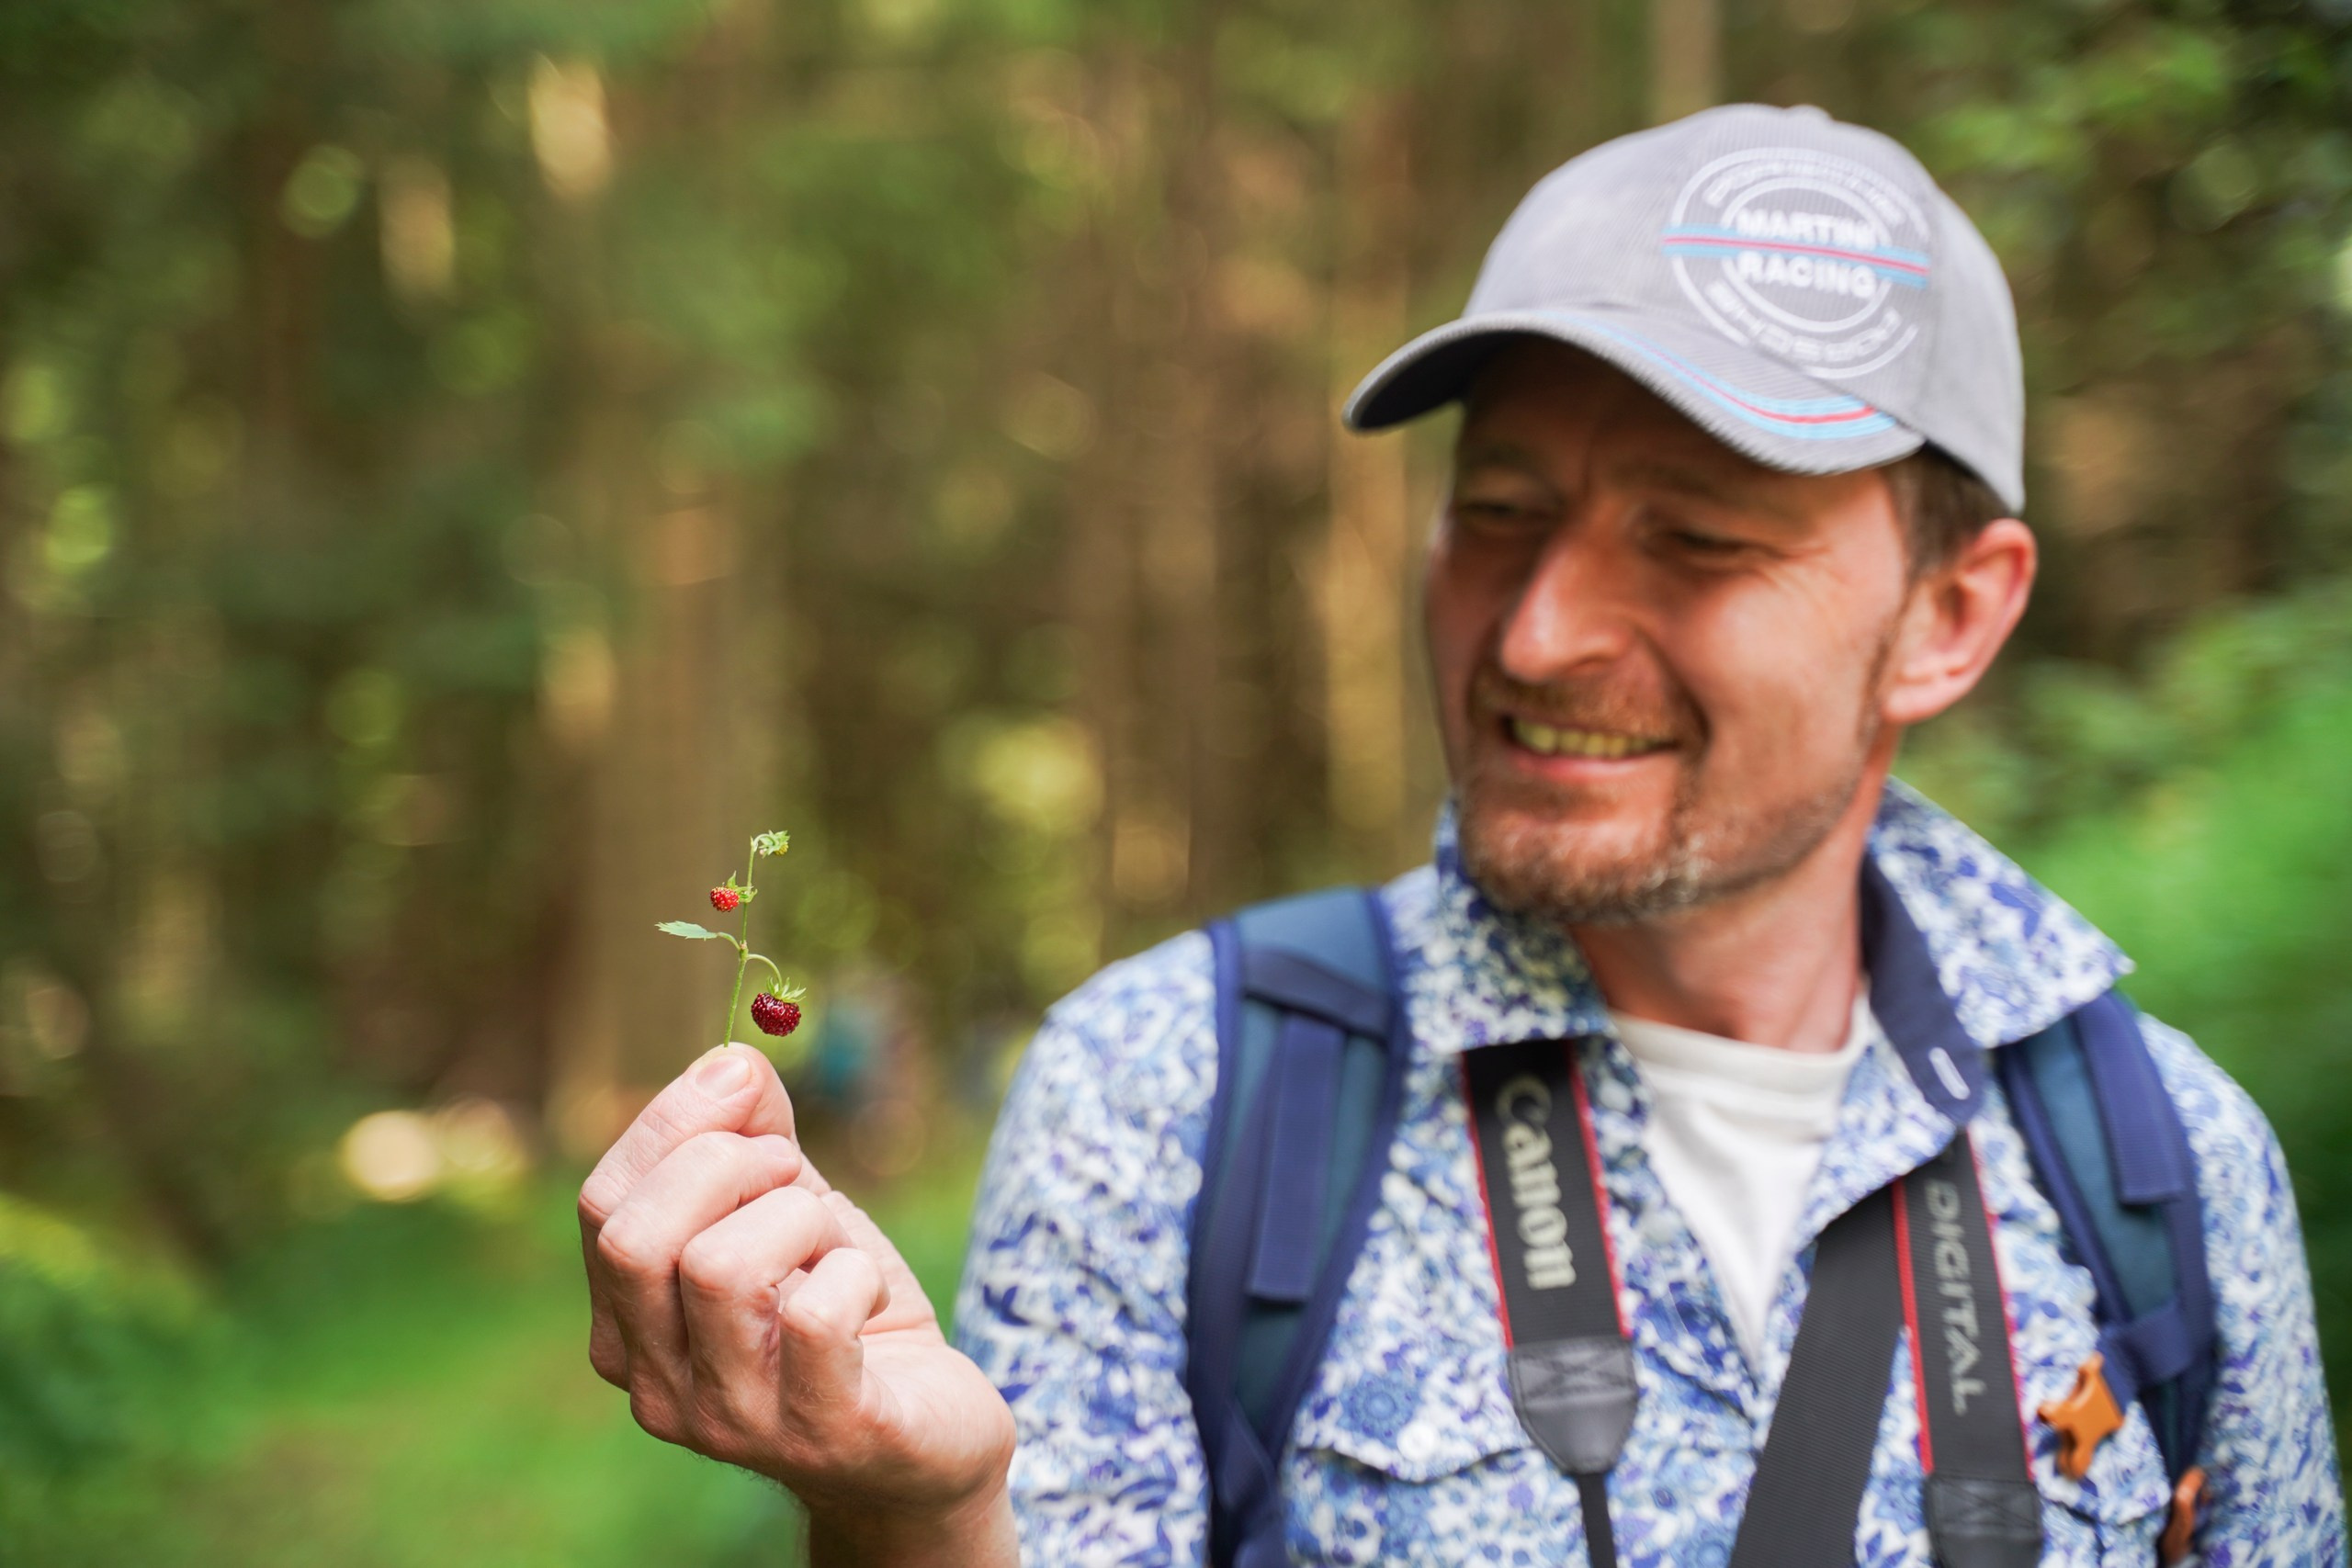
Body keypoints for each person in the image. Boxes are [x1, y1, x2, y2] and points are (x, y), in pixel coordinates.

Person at [575, 104, 2345, 1566]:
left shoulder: (2162, 1169)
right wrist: (921, 1512)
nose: (1536, 631)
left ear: (1954, 616)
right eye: (1499, 511)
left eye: (1699, 540)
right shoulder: (1178, 1098)